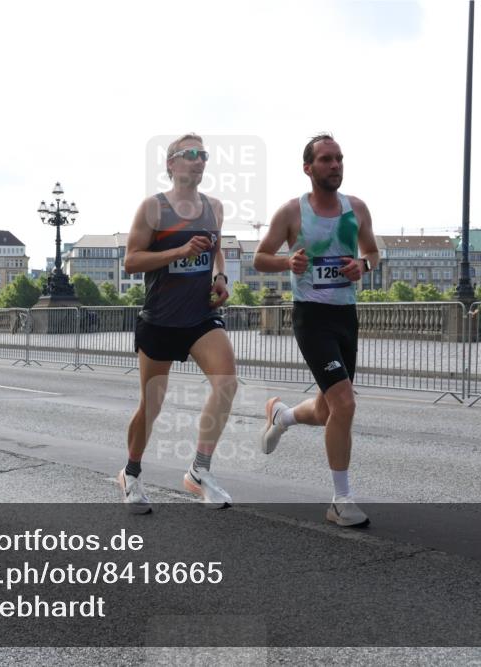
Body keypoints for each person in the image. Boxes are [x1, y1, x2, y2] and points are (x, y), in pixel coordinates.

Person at [254, 134, 380, 527]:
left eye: (339, 158)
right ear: (308, 168)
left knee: (329, 410)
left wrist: (365, 266)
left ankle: (283, 417)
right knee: (345, 404)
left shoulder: (356, 209)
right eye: (326, 159)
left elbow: (373, 252)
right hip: (311, 317)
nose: (335, 165)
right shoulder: (292, 213)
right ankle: (340, 500)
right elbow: (259, 258)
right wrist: (286, 263)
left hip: (346, 317)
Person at [118, 133, 235, 513]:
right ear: (171, 164)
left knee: (227, 382)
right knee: (151, 404)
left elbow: (217, 250)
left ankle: (200, 470)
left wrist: (221, 278)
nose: (198, 161)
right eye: (190, 155)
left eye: (203, 155)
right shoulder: (153, 208)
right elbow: (131, 261)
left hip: (200, 317)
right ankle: (131, 474)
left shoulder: (214, 207)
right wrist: (180, 251)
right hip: (161, 319)